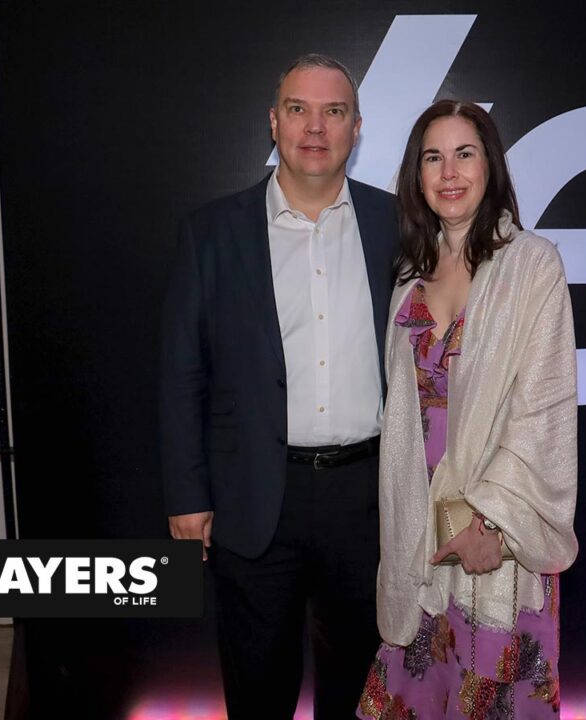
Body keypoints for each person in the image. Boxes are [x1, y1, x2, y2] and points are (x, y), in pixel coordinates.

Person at [160, 54, 398, 719]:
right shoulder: (211, 232)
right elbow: (182, 372)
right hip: (253, 496)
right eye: (298, 109)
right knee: (258, 687)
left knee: (359, 690)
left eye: (333, 111)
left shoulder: (399, 225)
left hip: (367, 499)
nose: (315, 127)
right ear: (274, 122)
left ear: (356, 128)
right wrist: (187, 494)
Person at [358, 100, 578, 719]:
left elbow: (544, 410)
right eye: (433, 157)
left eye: (464, 153)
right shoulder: (411, 274)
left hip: (494, 539)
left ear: (490, 166)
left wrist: (490, 523)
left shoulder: (532, 264)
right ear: (417, 174)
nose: (449, 172)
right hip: (421, 540)